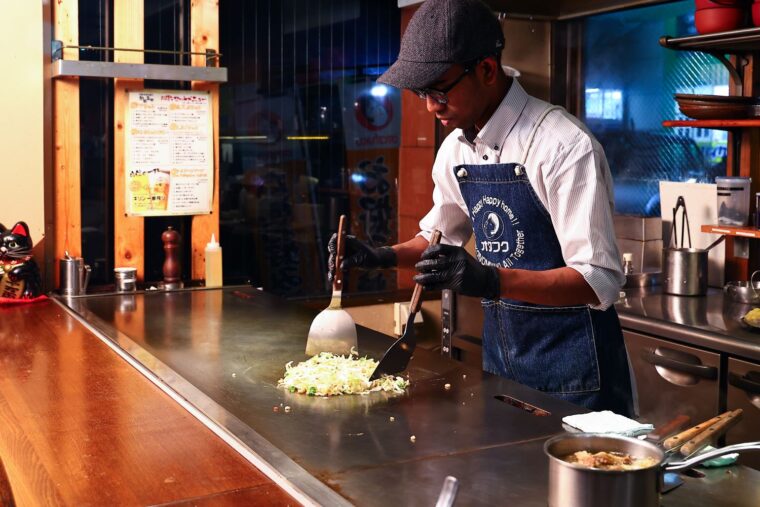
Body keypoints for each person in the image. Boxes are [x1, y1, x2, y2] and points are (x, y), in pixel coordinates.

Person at [328, 0, 634, 417]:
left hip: (578, 374)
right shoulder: (456, 149)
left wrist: (490, 280)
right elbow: (438, 236)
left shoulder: (562, 146)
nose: (430, 105)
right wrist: (381, 257)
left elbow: (597, 279)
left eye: (438, 89)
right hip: (504, 365)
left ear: (487, 70)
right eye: (420, 93)